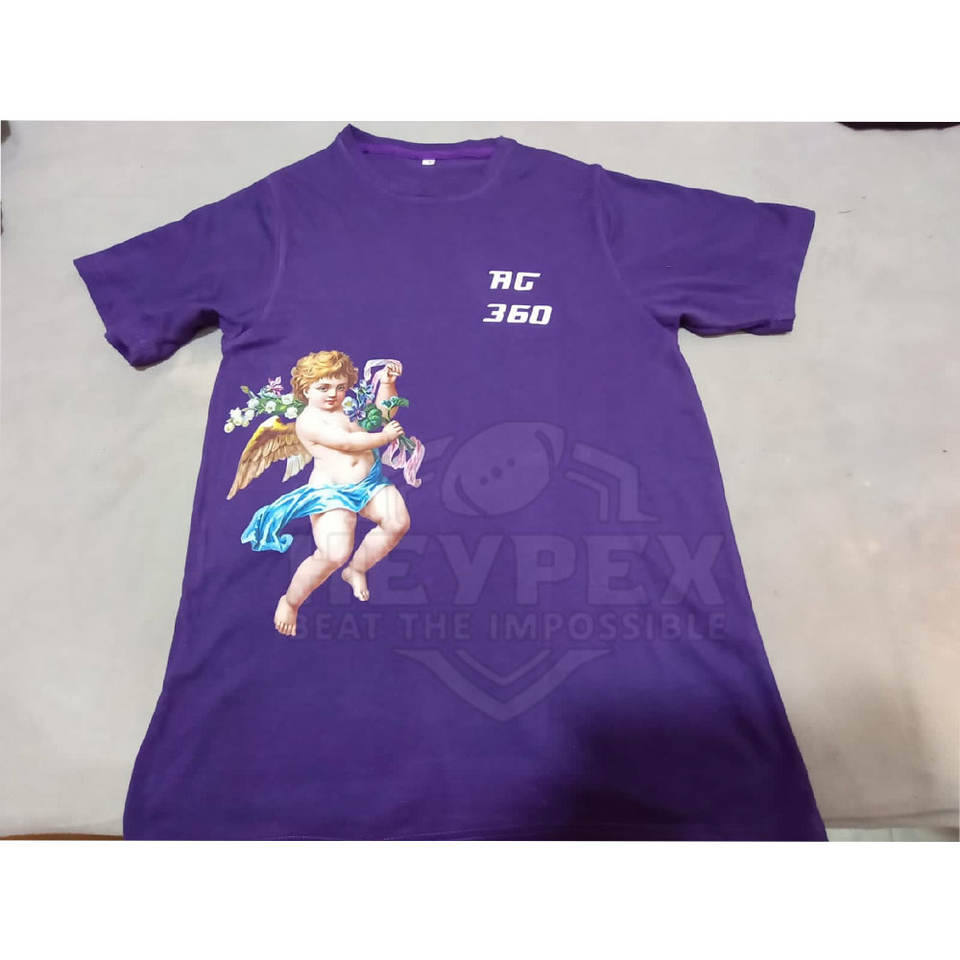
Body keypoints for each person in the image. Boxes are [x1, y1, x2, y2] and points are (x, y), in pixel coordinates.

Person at [232, 350, 412, 635]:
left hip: (370, 483)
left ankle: (357, 569)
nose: (333, 394)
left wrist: (387, 385)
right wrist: (385, 437)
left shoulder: (349, 405)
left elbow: (382, 414)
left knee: (397, 522)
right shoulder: (309, 421)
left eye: (340, 387)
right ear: (306, 389)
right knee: (333, 553)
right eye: (323, 387)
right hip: (331, 494)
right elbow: (347, 442)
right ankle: (290, 602)